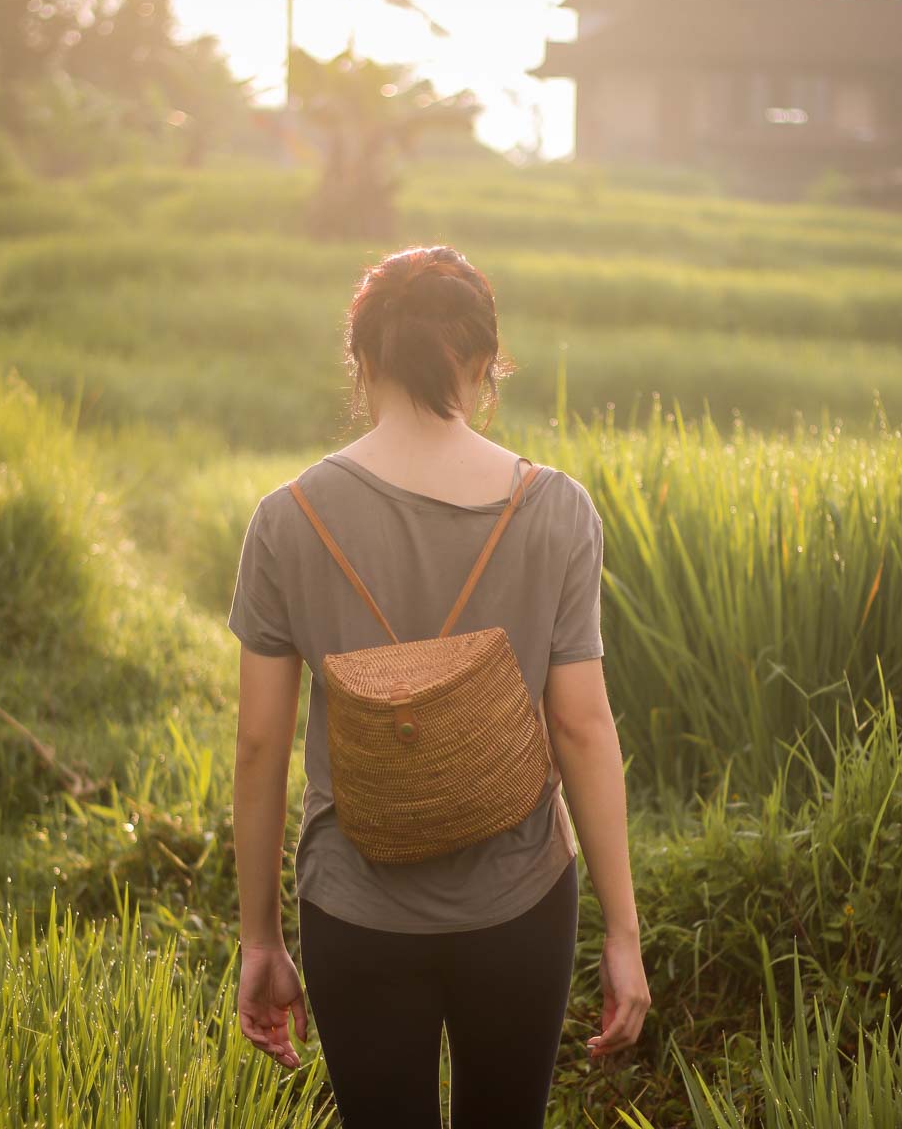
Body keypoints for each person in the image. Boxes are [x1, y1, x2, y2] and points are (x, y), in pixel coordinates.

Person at [227, 244, 650, 1128]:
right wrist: (623, 933)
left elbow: (260, 745)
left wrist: (260, 940)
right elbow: (582, 727)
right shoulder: (557, 508)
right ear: (486, 365)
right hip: (522, 902)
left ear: (363, 358)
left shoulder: (286, 520)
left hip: (353, 904)